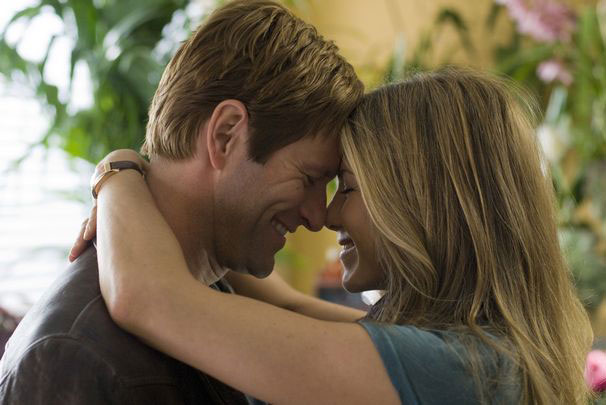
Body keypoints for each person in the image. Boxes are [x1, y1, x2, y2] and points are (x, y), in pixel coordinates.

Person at [84, 67, 593, 404]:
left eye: (346, 187)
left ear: (420, 203)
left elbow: (151, 300)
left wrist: (117, 173)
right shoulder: (488, 349)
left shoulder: (451, 369)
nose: (326, 215)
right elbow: (288, 306)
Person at [0, 1, 364, 403]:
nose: (317, 217)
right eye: (309, 179)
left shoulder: (211, 298)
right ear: (225, 135)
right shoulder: (73, 358)